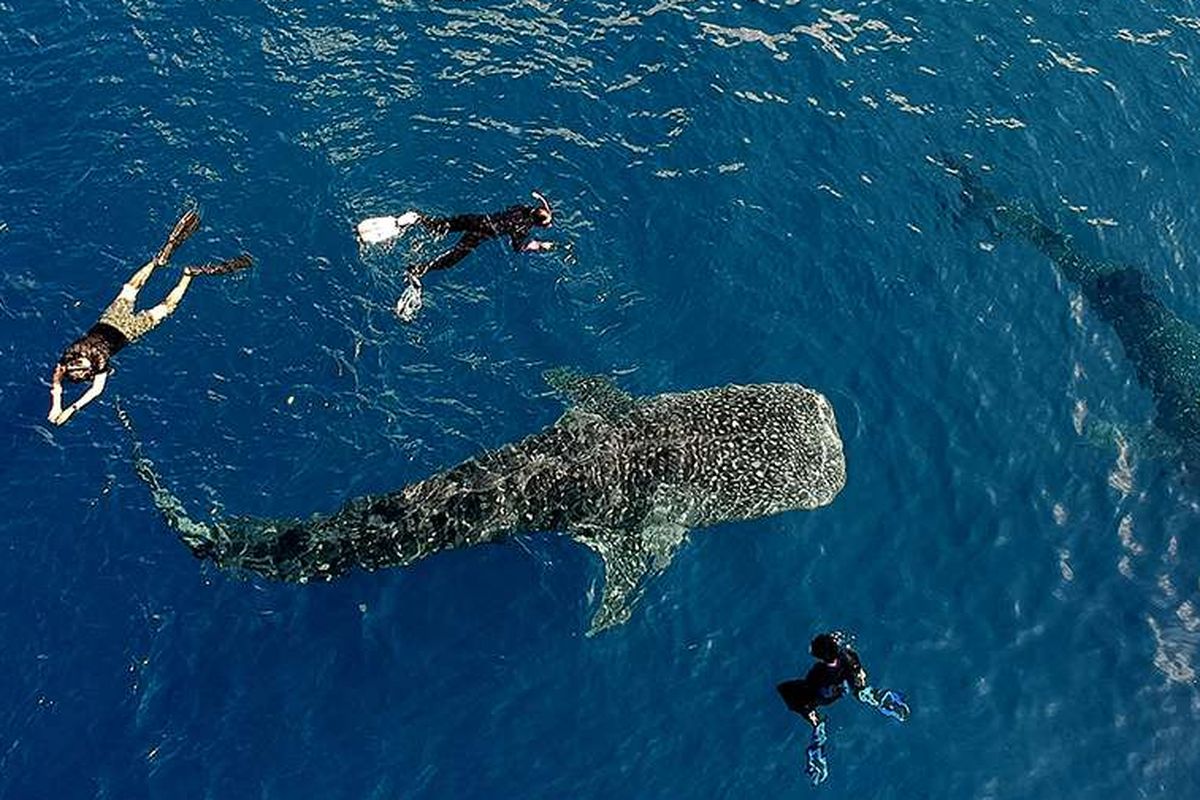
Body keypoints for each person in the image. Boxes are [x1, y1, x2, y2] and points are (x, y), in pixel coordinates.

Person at [48, 209, 252, 426]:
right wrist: (59, 404)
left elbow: (93, 390)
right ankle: (157, 262)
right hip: (110, 320)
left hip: (128, 332)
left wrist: (67, 408)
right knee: (131, 288)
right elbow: (59, 379)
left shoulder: (99, 363)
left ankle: (188, 276)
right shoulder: (72, 353)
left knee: (166, 307)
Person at [357, 192, 556, 322]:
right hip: (482, 233)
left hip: (477, 219)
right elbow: (518, 247)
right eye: (547, 223)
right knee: (452, 258)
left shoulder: (521, 209)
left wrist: (542, 204)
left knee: (442, 225)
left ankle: (418, 218)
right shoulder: (522, 228)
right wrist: (539, 246)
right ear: (538, 223)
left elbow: (534, 210)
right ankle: (418, 270)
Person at [777, 632, 909, 786]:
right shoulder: (848, 655)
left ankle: (817, 723)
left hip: (826, 695)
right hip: (846, 680)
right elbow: (859, 671)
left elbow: (813, 688)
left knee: (785, 689)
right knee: (859, 687)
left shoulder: (817, 672)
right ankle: (871, 696)